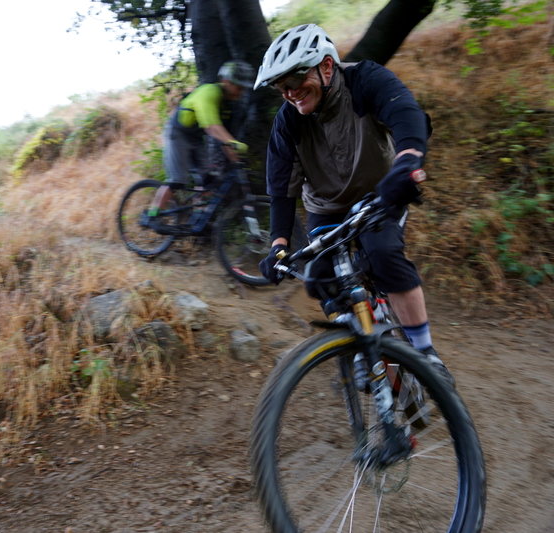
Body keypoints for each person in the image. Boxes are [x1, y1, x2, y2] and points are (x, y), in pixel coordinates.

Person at [254, 24, 453, 383]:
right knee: (320, 278)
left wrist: (409, 158)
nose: (290, 93)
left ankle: (425, 354)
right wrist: (279, 245)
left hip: (379, 192)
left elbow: (406, 113)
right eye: (281, 87)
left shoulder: (364, 80)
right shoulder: (288, 122)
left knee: (383, 252)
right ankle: (364, 342)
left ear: (326, 67)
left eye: (296, 80)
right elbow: (281, 188)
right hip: (326, 206)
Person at [142, 60, 254, 231]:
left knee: (208, 179)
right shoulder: (208, 92)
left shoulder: (228, 104)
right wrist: (234, 143)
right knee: (178, 180)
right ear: (226, 81)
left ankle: (198, 219)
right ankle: (152, 215)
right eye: (239, 86)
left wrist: (236, 160)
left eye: (243, 87)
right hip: (178, 133)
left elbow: (224, 139)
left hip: (196, 138)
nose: (241, 91)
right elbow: (212, 127)